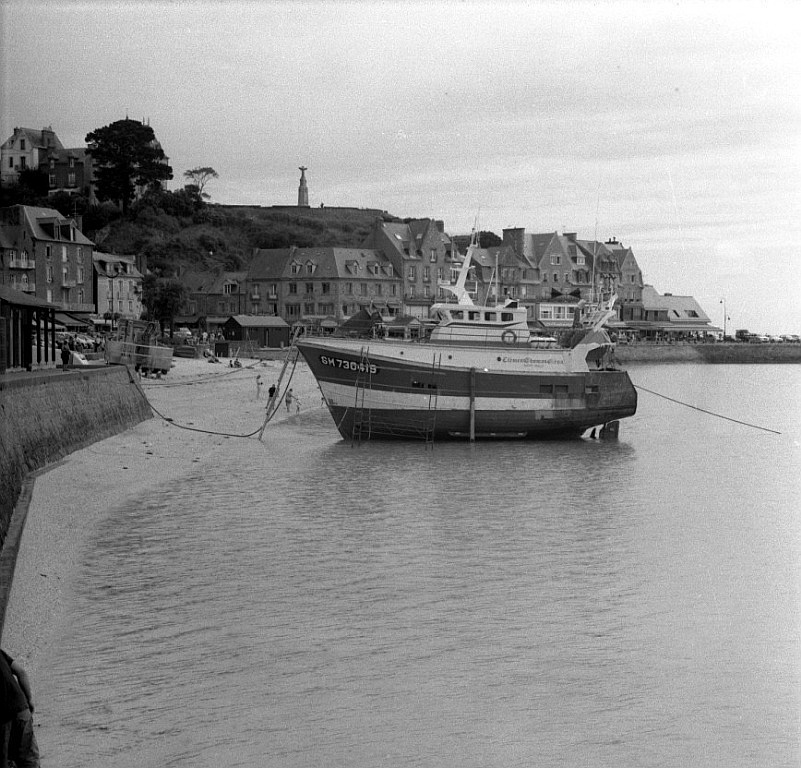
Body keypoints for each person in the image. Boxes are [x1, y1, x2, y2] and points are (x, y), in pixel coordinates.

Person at [1, 649, 40, 768]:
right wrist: (29, 700)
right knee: (30, 761)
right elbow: (21, 672)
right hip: (22, 709)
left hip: (3, 719)